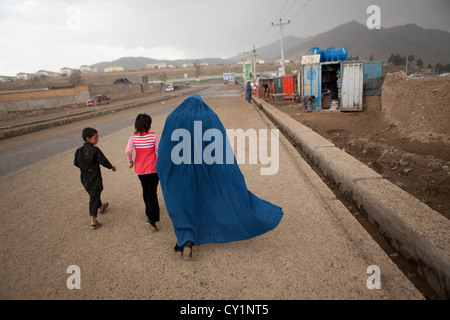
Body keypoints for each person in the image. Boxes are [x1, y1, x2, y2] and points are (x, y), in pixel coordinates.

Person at [156, 94, 284, 258]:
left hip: (181, 169)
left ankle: (186, 238)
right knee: (203, 196)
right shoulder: (209, 115)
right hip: (204, 166)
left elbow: (165, 150)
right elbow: (221, 148)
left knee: (183, 200)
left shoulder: (173, 117)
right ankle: (206, 229)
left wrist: (164, 170)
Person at [74, 127, 116, 229]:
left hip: (84, 178)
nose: (97, 140)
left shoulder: (78, 151)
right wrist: (111, 167)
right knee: (94, 195)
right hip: (94, 177)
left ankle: (101, 207)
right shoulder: (95, 150)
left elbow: (76, 163)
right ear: (88, 139)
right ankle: (93, 220)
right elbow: (103, 160)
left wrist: (85, 168)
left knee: (94, 193)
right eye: (95, 138)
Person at [126, 113, 160, 230]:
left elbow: (128, 151)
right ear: (149, 124)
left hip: (140, 170)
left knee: (145, 190)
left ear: (137, 125)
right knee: (152, 192)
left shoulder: (133, 138)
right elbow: (159, 149)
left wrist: (130, 161)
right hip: (153, 168)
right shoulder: (153, 136)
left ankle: (148, 212)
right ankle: (152, 218)